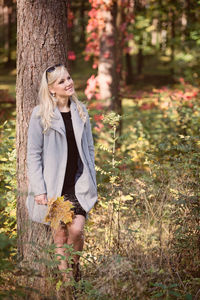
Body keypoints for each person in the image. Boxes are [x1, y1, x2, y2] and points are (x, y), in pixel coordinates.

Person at [26, 64, 98, 282]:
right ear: (51, 89)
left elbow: (89, 148)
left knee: (76, 231)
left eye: (68, 78)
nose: (68, 83)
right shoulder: (40, 114)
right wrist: (40, 190)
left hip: (78, 183)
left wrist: (92, 178)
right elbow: (33, 155)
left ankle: (75, 269)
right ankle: (68, 284)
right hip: (54, 186)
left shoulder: (80, 110)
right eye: (61, 81)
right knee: (60, 236)